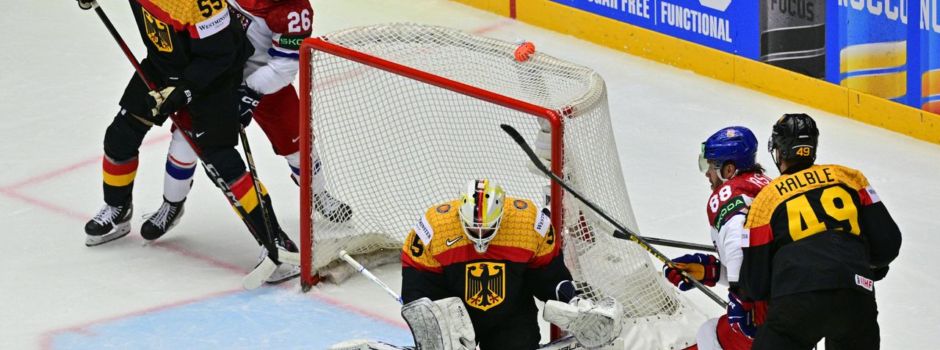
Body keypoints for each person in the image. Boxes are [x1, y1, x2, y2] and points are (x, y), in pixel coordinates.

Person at [78, 0, 295, 272]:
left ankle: (277, 241)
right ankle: (117, 208)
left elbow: (222, 54)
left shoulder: (198, 3)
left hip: (213, 77)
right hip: (163, 64)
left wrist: (185, 91)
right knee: (119, 136)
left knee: (221, 162)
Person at [141, 0, 352, 242]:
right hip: (217, 78)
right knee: (185, 138)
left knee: (299, 145)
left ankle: (319, 193)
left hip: (267, 85)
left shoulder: (294, 10)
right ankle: (171, 204)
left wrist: (249, 92)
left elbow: (285, 66)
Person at [740, 113, 902, 350]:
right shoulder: (850, 178)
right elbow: (887, 245)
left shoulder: (765, 200)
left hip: (797, 300)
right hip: (855, 295)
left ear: (780, 152)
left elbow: (755, 285)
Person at [400, 179, 621, 349]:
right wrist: (431, 322)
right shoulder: (435, 228)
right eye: (473, 228)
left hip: (511, 316)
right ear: (459, 214)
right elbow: (418, 281)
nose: (480, 235)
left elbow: (548, 275)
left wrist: (572, 301)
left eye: (487, 228)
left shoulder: (527, 224)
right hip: (455, 315)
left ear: (502, 215)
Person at [664, 126, 771, 350]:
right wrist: (712, 272)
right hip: (796, 300)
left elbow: (737, 244)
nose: (707, 174)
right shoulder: (766, 185)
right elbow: (759, 266)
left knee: (710, 334)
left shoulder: (728, 194)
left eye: (711, 166)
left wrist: (741, 299)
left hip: (766, 315)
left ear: (728, 169)